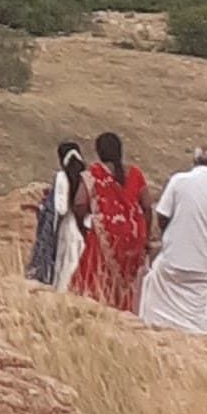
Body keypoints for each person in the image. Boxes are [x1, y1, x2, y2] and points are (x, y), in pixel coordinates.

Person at [139, 146, 207, 335]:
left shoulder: (178, 181)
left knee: (155, 291)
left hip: (173, 259)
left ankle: (155, 334)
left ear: (194, 161)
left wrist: (171, 236)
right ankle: (194, 339)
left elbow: (162, 216)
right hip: (204, 264)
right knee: (197, 310)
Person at [72, 132, 152, 312]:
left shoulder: (93, 174)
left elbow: (79, 204)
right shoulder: (135, 174)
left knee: (94, 279)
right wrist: (144, 236)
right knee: (128, 284)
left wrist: (82, 226)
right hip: (133, 238)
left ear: (99, 152)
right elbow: (147, 206)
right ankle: (123, 312)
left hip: (105, 236)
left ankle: (96, 312)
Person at [26, 141, 86, 293]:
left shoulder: (61, 177)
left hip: (66, 226)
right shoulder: (86, 177)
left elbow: (61, 208)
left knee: (64, 264)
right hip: (82, 228)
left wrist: (43, 208)